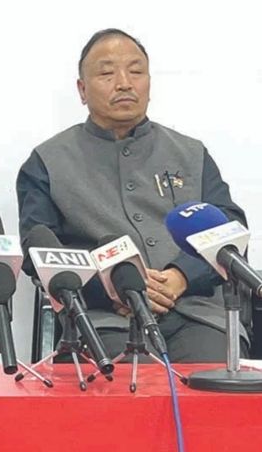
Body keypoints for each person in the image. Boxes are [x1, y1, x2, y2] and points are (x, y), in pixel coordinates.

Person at [17, 28, 248, 362]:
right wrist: (114, 289)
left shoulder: (191, 153)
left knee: (212, 378)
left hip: (196, 314)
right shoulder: (46, 162)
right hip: (104, 320)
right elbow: (38, 255)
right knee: (126, 380)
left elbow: (230, 229)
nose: (124, 83)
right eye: (107, 74)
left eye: (136, 71)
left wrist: (181, 277)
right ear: (82, 90)